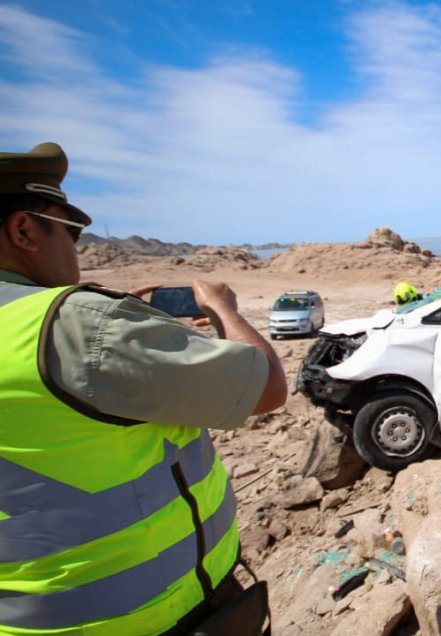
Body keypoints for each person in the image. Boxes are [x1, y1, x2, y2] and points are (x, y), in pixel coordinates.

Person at [0, 142, 287, 635]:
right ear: (24, 229)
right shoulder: (78, 327)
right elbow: (266, 387)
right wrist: (225, 310)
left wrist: (118, 332)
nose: (76, 248)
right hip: (155, 619)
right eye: (71, 231)